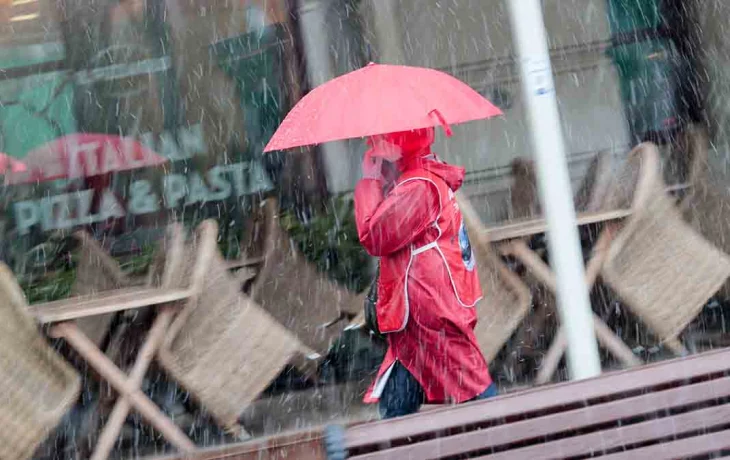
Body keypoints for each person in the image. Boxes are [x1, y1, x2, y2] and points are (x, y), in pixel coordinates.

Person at [354, 127, 496, 419]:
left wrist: (368, 183)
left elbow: (375, 235)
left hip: (426, 308)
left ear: (398, 151)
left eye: (381, 153)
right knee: (400, 398)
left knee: (475, 391)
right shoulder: (421, 180)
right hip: (423, 308)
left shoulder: (418, 187)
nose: (377, 160)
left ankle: (513, 441)